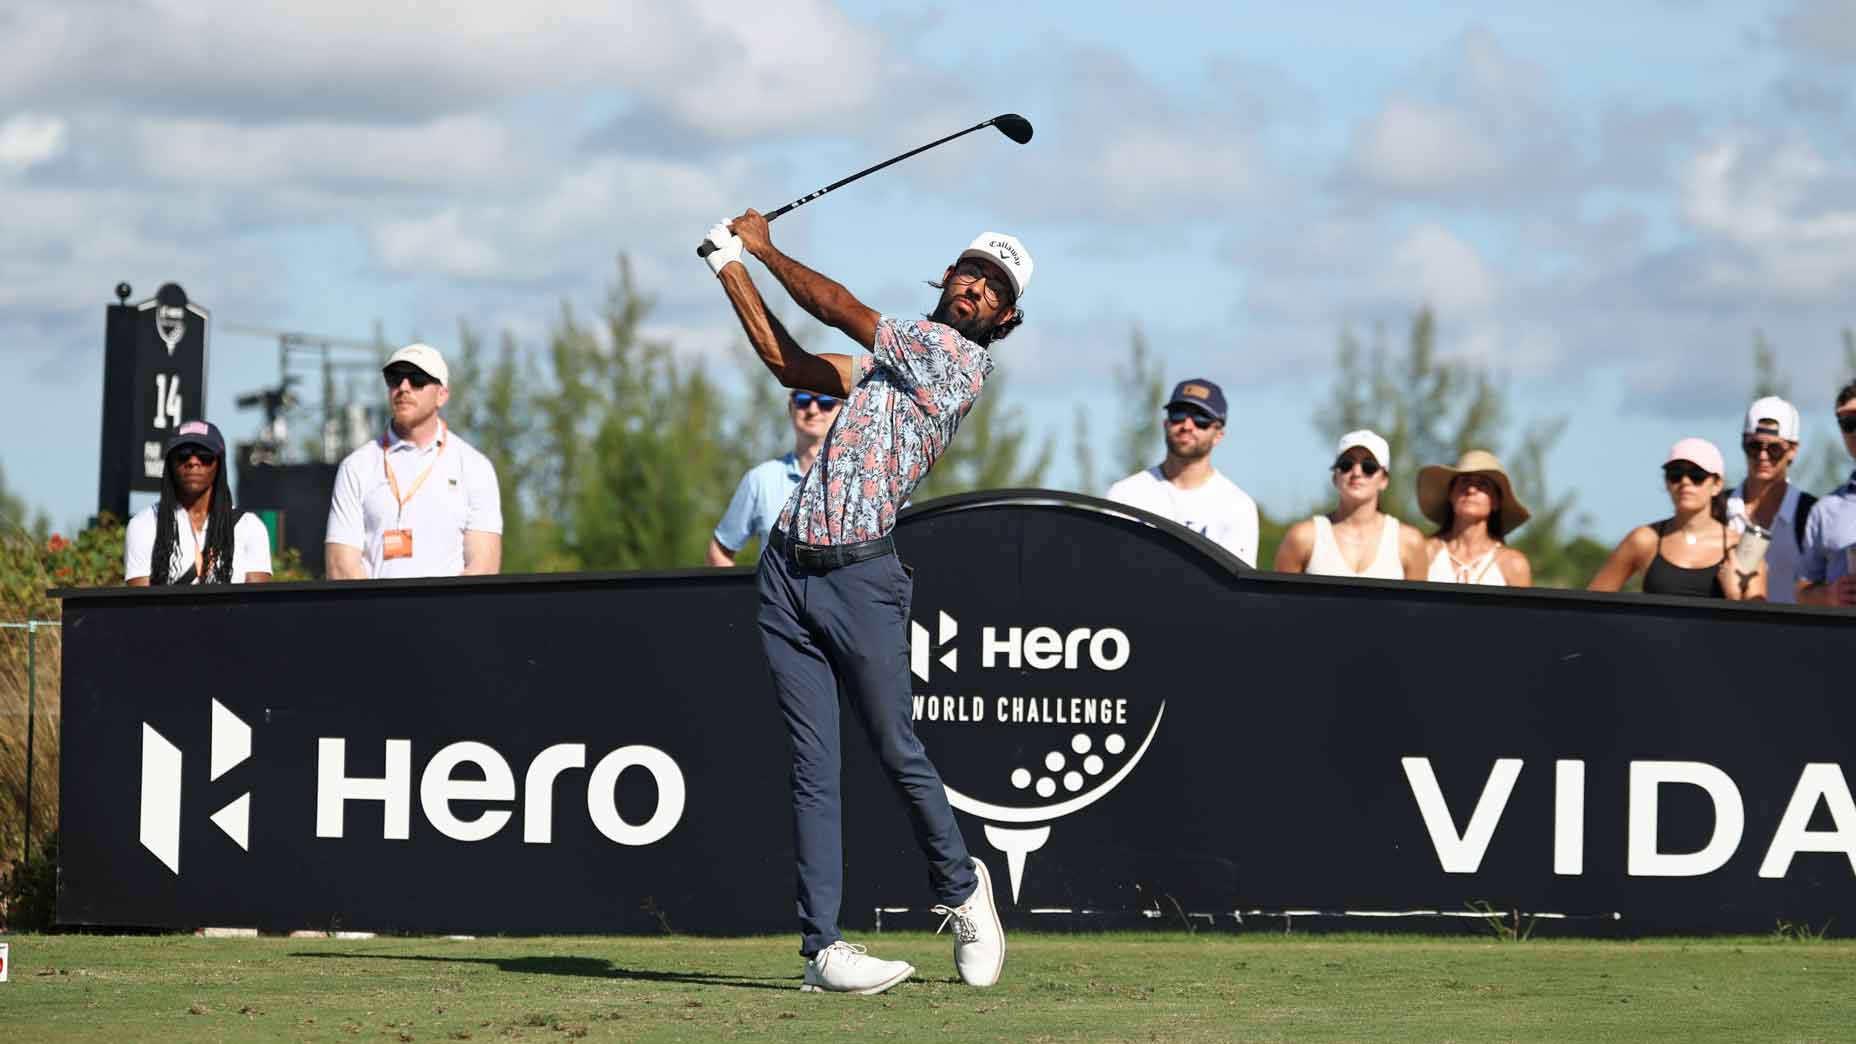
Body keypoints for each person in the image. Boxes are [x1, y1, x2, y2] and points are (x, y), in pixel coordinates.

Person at [701, 210, 1007, 994]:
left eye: (993, 289)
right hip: (786, 574)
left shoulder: (955, 365)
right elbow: (788, 363)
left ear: (1004, 318)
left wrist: (764, 247)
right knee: (812, 766)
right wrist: (729, 266)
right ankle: (822, 950)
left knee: (894, 746)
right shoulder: (882, 371)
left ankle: (961, 888)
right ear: (946, 279)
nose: (974, 286)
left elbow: (838, 307)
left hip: (860, 580)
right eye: (969, 272)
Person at [324, 344, 502, 580]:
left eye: (417, 379)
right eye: (394, 378)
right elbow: (341, 567)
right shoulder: (356, 467)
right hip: (376, 615)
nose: (403, 387)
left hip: (449, 615)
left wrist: (447, 614)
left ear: (442, 395)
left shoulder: (474, 467)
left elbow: (484, 566)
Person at [1104, 379, 1260, 567]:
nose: (1187, 425)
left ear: (1218, 434)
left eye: (1201, 419)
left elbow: (1234, 589)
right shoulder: (1125, 494)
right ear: (1165, 423)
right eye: (1178, 414)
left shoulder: (1237, 507)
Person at [1587, 438, 1765, 600]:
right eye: (1675, 474)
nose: (1685, 482)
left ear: (1717, 485)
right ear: (1666, 482)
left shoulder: (1742, 548)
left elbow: (1759, 629)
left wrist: (1733, 595)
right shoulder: (1644, 539)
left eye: (1697, 475)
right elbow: (1590, 606)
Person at [125, 420, 272, 585]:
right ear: (170, 463)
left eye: (205, 456)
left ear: (219, 463)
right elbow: (142, 606)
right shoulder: (144, 525)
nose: (193, 462)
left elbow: (255, 606)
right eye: (183, 455)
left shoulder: (249, 527)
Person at [707, 390, 843, 566]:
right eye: (803, 399)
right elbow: (718, 552)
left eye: (825, 401)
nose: (813, 409)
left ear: (842, 409)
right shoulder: (760, 481)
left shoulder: (862, 483)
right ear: (790, 406)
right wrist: (742, 594)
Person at [1274, 429, 1427, 579]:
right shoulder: (1302, 538)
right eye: (1346, 464)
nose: (1356, 472)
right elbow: (1280, 601)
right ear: (1335, 477)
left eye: (1369, 466)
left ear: (1384, 480)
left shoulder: (1409, 542)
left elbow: (1420, 604)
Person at [1726, 396, 1815, 604]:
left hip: (1793, 634)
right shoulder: (1718, 507)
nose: (1763, 457)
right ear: (1743, 444)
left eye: (1774, 449)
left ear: (1792, 450)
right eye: (1754, 447)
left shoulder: (1811, 513)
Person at [1415, 450, 1533, 587]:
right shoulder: (1426, 553)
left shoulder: (1513, 564)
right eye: (1464, 481)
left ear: (1496, 501)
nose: (1471, 490)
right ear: (1450, 495)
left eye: (1483, 484)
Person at [1798, 381, 1856, 608]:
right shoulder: (1825, 510)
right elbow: (1802, 592)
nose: (1854, 430)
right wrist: (1829, 595)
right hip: (1840, 639)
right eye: (1847, 423)